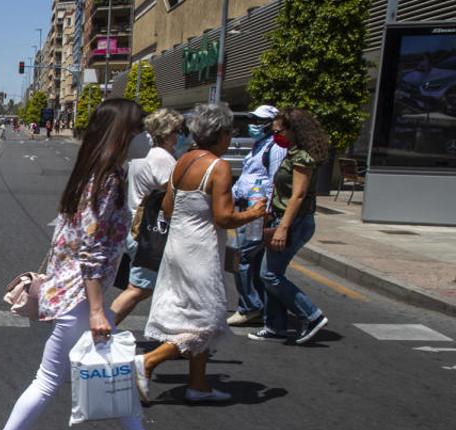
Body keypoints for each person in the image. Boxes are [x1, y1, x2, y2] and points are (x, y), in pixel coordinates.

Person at [0, 98, 196, 430]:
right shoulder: (108, 180)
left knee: (115, 372)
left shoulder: (93, 173)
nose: (143, 140)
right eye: (136, 132)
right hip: (80, 299)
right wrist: (98, 310)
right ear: (121, 136)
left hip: (75, 295)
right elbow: (92, 251)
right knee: (50, 381)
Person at [139, 103, 267, 402]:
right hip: (200, 251)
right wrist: (253, 213)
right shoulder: (217, 166)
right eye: (229, 133)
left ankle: (198, 385)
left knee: (192, 315)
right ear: (220, 134)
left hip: (177, 247)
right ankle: (147, 362)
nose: (231, 139)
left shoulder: (182, 160)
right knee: (207, 321)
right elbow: (224, 217)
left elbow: (168, 208)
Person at [248, 108, 330, 345]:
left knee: (270, 274)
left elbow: (298, 195)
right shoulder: (291, 152)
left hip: (294, 222)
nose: (275, 134)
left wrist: (283, 227)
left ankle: (311, 314)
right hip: (282, 218)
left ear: (294, 130)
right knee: (272, 273)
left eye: (279, 130)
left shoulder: (302, 157)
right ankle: (275, 326)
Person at [110, 108, 183, 325]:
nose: (180, 136)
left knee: (160, 285)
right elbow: (171, 195)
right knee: (139, 288)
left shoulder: (143, 154)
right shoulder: (162, 158)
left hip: (136, 227)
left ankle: (173, 335)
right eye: (177, 131)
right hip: (149, 233)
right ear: (168, 133)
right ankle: (100, 329)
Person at [227, 105, 286, 326]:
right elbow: (247, 178)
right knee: (251, 261)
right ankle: (258, 305)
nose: (253, 125)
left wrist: (267, 212)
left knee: (241, 258)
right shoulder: (259, 146)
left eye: (259, 121)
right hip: (247, 209)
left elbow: (273, 182)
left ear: (271, 124)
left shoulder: (275, 148)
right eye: (252, 120)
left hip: (258, 213)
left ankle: (249, 306)